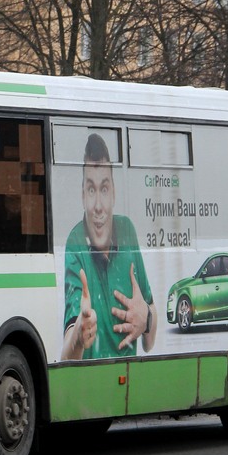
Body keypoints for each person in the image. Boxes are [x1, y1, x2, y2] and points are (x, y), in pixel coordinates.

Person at [61, 133, 157, 360]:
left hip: (129, 379)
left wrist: (147, 319)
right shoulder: (75, 243)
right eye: (91, 189)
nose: (98, 206)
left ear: (113, 193)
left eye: (103, 189)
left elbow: (150, 342)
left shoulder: (127, 231)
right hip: (89, 382)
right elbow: (67, 356)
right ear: (82, 195)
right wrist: (79, 333)